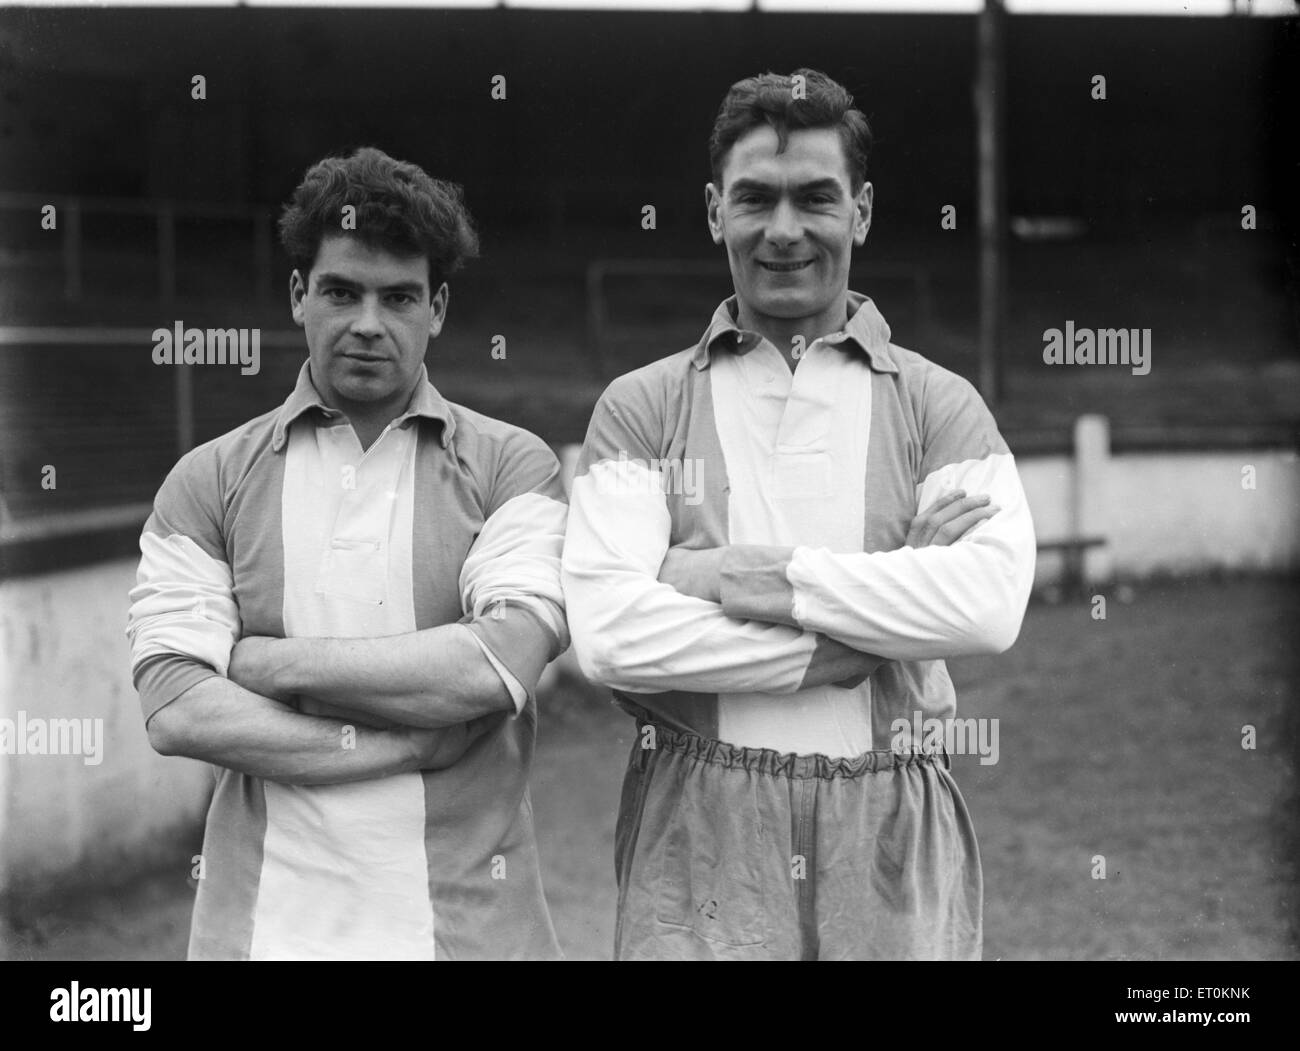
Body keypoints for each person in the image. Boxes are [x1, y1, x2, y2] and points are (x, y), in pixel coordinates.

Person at [561, 69, 1036, 961]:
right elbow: (611, 635)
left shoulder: (940, 405)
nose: (784, 231)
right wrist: (881, 624)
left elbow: (986, 606)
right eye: (756, 199)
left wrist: (720, 576)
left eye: (816, 198)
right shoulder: (640, 407)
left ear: (859, 212)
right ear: (713, 211)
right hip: (700, 823)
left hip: (889, 817)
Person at [127, 147, 568, 960]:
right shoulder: (208, 478)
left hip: (469, 932)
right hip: (263, 932)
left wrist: (264, 664)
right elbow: (177, 707)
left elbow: (494, 666)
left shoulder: (515, 465)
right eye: (341, 291)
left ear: (436, 307)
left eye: (398, 297)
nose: (368, 322)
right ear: (300, 296)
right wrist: (402, 744)